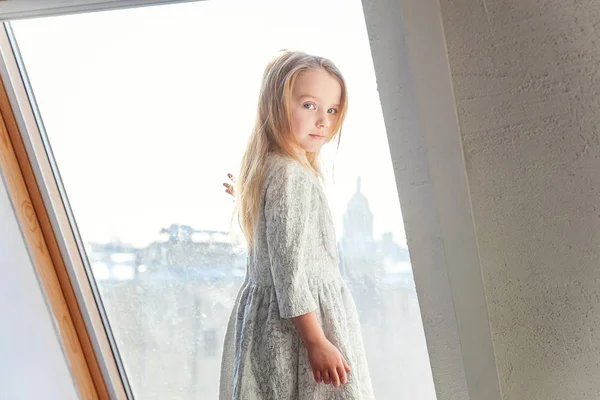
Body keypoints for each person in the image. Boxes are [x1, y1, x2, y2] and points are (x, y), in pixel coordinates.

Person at [219, 50, 375, 400]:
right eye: (309, 105)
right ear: (275, 106)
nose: (323, 120)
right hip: (302, 323)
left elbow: (279, 237)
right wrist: (316, 340)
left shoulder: (272, 170)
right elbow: (289, 272)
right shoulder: (291, 176)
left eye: (332, 110)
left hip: (273, 322)